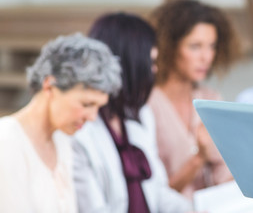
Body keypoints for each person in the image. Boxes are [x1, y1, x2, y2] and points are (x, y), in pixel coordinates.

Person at [72, 12, 191, 212]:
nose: (154, 70)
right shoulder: (79, 129)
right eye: (150, 62)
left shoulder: (140, 115)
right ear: (130, 64)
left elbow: (158, 191)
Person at [0, 33, 121, 213]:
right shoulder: (7, 142)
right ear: (49, 86)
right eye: (86, 104)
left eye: (98, 106)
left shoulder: (62, 138)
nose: (92, 117)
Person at [148, 0, 239, 199]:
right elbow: (152, 196)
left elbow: (226, 178)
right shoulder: (147, 105)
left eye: (212, 46)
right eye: (195, 46)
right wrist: (199, 158)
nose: (206, 57)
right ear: (169, 47)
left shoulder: (212, 99)